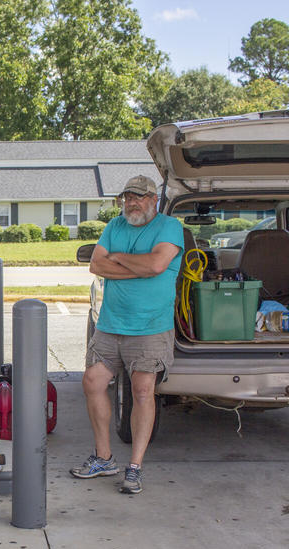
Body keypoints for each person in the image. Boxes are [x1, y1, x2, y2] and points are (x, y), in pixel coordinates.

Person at [70, 175, 183, 495]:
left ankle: (134, 467)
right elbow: (96, 264)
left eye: (139, 197)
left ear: (153, 200)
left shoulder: (168, 227)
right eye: (127, 198)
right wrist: (136, 265)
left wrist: (117, 258)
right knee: (92, 381)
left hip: (149, 327)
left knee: (143, 390)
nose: (131, 203)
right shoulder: (114, 226)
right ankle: (103, 457)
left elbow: (157, 265)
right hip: (110, 325)